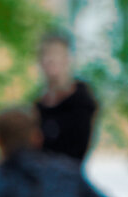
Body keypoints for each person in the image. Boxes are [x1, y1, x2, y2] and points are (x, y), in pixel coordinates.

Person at [35, 30, 98, 164]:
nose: (50, 59)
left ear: (67, 59)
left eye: (55, 54)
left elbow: (76, 154)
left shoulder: (82, 103)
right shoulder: (37, 107)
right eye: (45, 54)